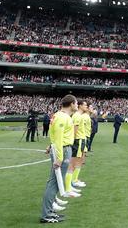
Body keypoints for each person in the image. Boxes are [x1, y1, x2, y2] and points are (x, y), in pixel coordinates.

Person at [40, 94, 78, 224]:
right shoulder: (63, 117)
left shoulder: (58, 115)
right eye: (76, 103)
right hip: (62, 150)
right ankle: (46, 214)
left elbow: (53, 134)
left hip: (59, 149)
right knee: (54, 183)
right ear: (72, 104)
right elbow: (59, 137)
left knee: (53, 182)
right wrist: (60, 157)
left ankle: (49, 211)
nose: (77, 106)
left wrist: (50, 146)